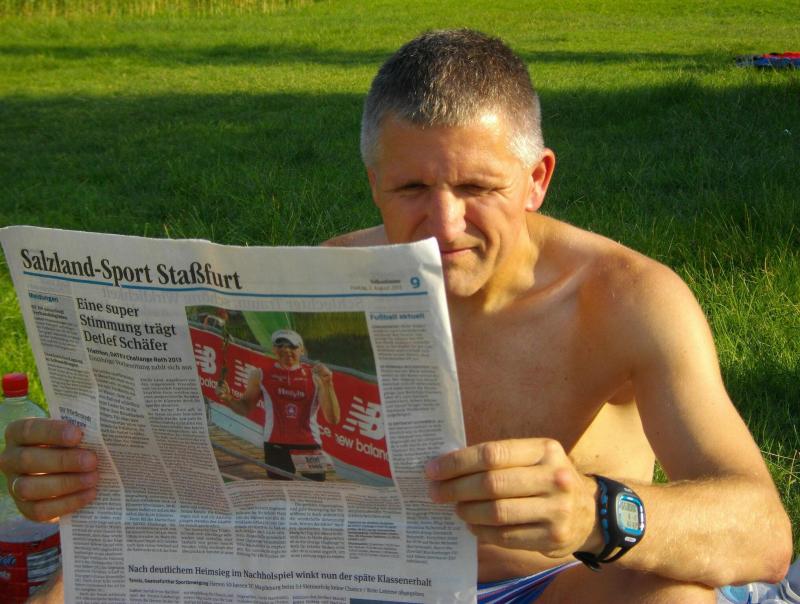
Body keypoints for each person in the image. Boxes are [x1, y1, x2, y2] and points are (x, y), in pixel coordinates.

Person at [0, 29, 792, 603]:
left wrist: (594, 511)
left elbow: (762, 530)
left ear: (537, 179)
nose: (443, 224)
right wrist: (77, 475)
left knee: (668, 599)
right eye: (412, 189)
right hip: (354, 581)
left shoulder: (624, 299)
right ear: (374, 181)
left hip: (549, 586)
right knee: (67, 589)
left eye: (477, 188)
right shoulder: (330, 275)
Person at [217, 328, 341, 481]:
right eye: (280, 345)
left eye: (292, 346)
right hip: (276, 445)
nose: (286, 350)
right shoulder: (259, 375)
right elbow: (245, 408)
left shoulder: (316, 378)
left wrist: (328, 383)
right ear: (274, 349)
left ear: (302, 350)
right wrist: (228, 398)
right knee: (280, 489)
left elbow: (333, 418)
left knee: (314, 489)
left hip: (309, 446)